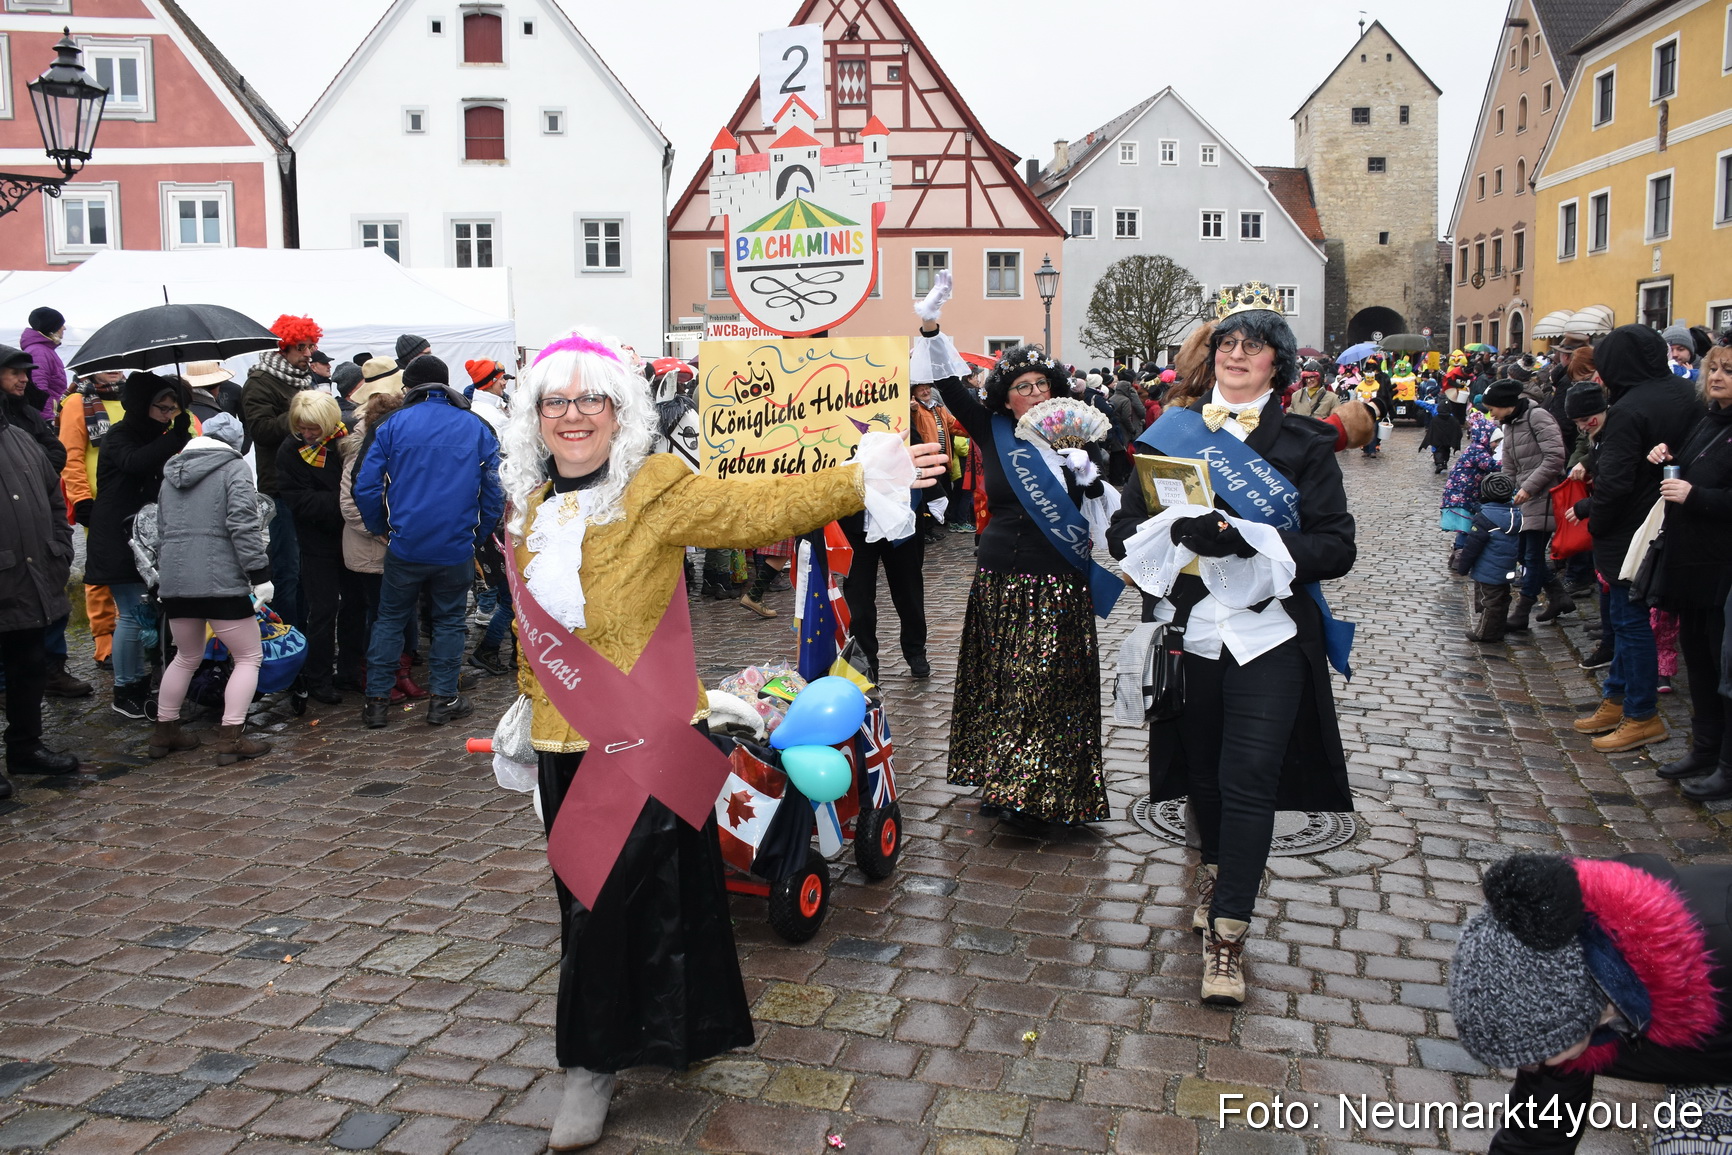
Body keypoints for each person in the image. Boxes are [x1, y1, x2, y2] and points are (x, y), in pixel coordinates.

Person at [491, 328, 941, 1150]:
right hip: (564, 739)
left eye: (592, 398)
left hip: (652, 735)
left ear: (620, 411)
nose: (574, 414)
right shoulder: (527, 508)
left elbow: (753, 507)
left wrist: (862, 476)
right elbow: (533, 631)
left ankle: (592, 1064)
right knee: (624, 899)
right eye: (556, 400)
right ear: (535, 415)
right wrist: (524, 712)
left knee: (625, 903)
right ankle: (662, 1033)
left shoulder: (653, 488)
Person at [1107, 281, 1355, 1007]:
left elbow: (1336, 547)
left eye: (1255, 346)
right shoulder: (1169, 433)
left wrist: (1252, 538)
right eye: (1228, 343)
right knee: (1206, 777)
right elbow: (1121, 535)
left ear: (1279, 364)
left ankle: (1228, 934)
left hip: (1269, 637)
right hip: (1190, 635)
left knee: (1250, 779)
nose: (1237, 354)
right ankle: (1214, 870)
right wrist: (1172, 531)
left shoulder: (1306, 445)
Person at [911, 273, 1114, 829]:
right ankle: (1007, 782)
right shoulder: (993, 428)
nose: (1036, 393)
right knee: (1006, 681)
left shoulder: (1077, 437)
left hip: (1059, 579)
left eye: (1042, 384)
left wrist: (1089, 477)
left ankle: (1047, 789)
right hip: (1002, 575)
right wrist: (930, 325)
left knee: (1050, 687)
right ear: (1005, 396)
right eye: (1024, 386)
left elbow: (1105, 512)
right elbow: (949, 384)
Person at [1450, 852, 1732, 1155]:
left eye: (1534, 1056)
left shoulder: (1719, 938)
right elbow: (1539, 1129)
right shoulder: (1577, 1006)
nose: (1534, 1065)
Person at [1572, 326, 1700, 754]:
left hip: (1631, 528)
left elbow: (1615, 482)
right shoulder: (1685, 392)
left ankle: (1641, 714)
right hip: (1669, 519)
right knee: (1628, 619)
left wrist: (1596, 524)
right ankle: (1617, 698)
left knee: (1629, 622)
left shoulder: (1628, 408)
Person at [353, 355, 501, 727]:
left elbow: (365, 485)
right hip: (454, 545)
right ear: (445, 384)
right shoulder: (474, 425)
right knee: (449, 621)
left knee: (390, 620)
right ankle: (443, 699)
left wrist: (380, 527)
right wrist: (477, 535)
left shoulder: (391, 424)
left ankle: (376, 702)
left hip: (406, 543)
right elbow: (495, 490)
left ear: (409, 387)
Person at [150, 413, 272, 764]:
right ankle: (231, 737)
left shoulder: (171, 473)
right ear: (235, 444)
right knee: (248, 656)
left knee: (185, 656)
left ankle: (164, 732)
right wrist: (260, 574)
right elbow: (243, 524)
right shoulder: (234, 468)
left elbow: (162, 529)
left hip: (176, 580)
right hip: (220, 581)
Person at [1645, 343, 1732, 797]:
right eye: (1713, 368)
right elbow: (1694, 469)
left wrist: (1696, 496)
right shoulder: (1709, 419)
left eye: (1728, 370)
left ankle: (1727, 765)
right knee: (1697, 659)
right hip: (1693, 562)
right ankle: (1705, 748)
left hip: (1723, 568)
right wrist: (1667, 457)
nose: (1716, 377)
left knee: (1722, 665)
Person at [86, 373, 194, 719]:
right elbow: (135, 462)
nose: (168, 414)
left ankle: (142, 678)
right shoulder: (120, 435)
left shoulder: (154, 435)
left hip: (144, 538)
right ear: (141, 405)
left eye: (172, 408)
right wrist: (174, 437)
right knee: (132, 615)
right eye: (162, 408)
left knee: (146, 613)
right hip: (118, 539)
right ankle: (125, 689)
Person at [0, 381, 81, 789]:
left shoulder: (19, 438)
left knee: (30, 667)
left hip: (31, 577)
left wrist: (60, 548)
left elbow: (53, 498)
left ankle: (25, 748)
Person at [277, 390, 366, 704]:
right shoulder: (291, 450)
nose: (307, 434)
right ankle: (319, 678)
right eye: (301, 427)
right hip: (317, 540)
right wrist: (344, 501)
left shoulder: (348, 440)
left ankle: (351, 672)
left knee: (356, 606)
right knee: (323, 610)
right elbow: (298, 500)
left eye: (313, 428)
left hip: (351, 538)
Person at [242, 315, 321, 630]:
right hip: (280, 485)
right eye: (301, 347)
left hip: (308, 484)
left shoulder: (304, 379)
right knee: (287, 568)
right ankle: (286, 631)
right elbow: (260, 431)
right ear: (283, 347)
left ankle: (304, 630)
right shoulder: (260, 382)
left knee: (306, 568)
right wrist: (301, 414)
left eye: (311, 346)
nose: (308, 354)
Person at [1482, 378, 1569, 631]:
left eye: (1492, 408)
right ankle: (1558, 595)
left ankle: (1523, 611)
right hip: (1523, 498)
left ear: (1505, 404)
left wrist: (1528, 488)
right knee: (1523, 554)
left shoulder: (1537, 417)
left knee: (1532, 556)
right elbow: (1509, 465)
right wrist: (1502, 493)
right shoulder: (1509, 424)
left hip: (1543, 495)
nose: (1491, 414)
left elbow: (1555, 457)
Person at [57, 369, 125, 670]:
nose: (113, 370)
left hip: (133, 497)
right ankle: (105, 642)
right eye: (106, 365)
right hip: (99, 503)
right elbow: (70, 456)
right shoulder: (77, 403)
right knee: (100, 575)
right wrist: (82, 499)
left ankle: (136, 635)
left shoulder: (131, 398)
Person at [1454, 472, 1522, 642]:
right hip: (1507, 567)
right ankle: (1498, 630)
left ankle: (1485, 633)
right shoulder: (1515, 515)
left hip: (1487, 569)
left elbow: (1473, 545)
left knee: (1489, 601)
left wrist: (1463, 566)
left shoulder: (1485, 518)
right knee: (1502, 598)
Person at [19, 307, 68, 424]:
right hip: (48, 417)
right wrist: (48, 419)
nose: (64, 328)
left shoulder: (45, 350)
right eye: (61, 325)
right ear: (52, 328)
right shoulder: (38, 351)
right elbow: (38, 389)